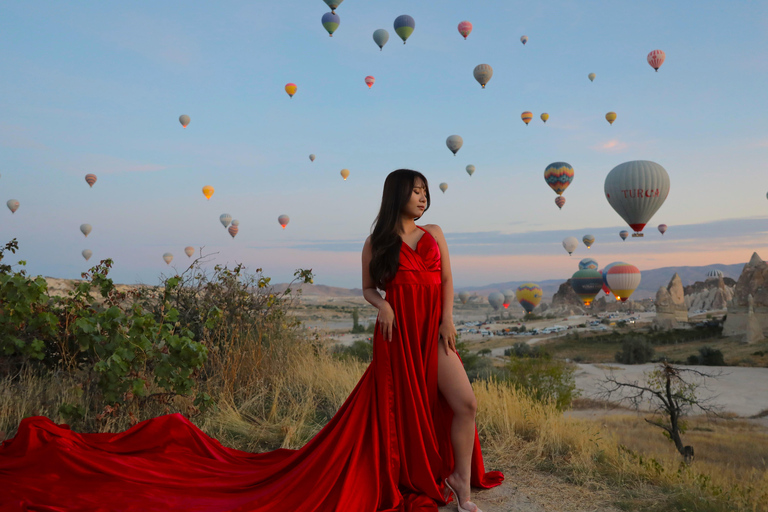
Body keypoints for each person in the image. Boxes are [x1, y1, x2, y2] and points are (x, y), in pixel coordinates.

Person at [0, 169, 503, 512]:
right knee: (399, 414)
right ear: (398, 195)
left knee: (465, 403)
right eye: (415, 190)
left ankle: (459, 476)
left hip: (431, 334)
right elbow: (368, 289)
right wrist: (383, 304)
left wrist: (447, 318)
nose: (424, 196)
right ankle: (451, 485)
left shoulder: (435, 232)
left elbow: (446, 282)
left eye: (425, 190)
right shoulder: (377, 242)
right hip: (395, 338)